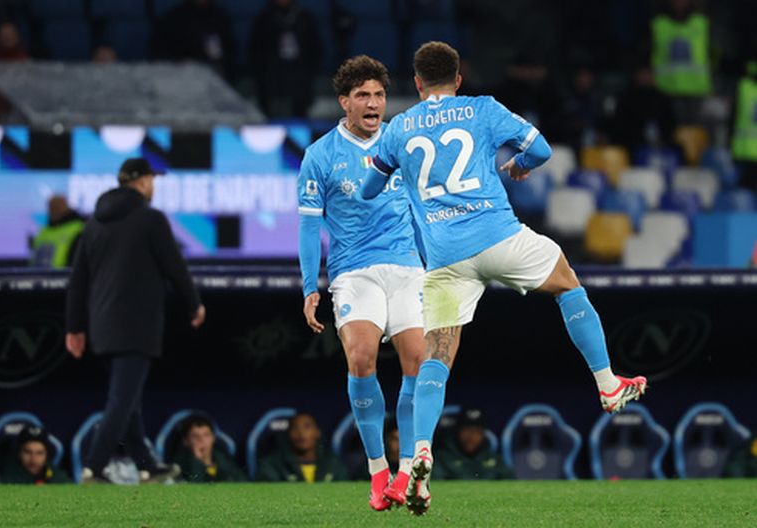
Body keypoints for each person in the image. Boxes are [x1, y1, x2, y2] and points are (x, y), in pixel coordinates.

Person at [362, 41, 647, 515]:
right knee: (567, 282)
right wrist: (516, 165)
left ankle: (422, 450)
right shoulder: (482, 109)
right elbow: (540, 149)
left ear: (416, 83)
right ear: (458, 79)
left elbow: (372, 187)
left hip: (445, 257)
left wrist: (397, 174)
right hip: (497, 236)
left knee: (437, 353)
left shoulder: (398, 129)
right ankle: (606, 382)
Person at [297, 55, 425, 510]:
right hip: (354, 270)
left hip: (408, 266)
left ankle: (408, 470)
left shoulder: (402, 142)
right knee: (361, 359)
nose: (373, 104)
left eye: (379, 95)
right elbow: (310, 228)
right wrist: (310, 286)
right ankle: (378, 471)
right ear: (344, 103)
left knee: (417, 363)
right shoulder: (320, 156)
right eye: (363, 96)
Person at [65, 157, 206, 484]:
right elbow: (175, 267)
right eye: (151, 180)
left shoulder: (94, 223)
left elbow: (77, 281)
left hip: (101, 325)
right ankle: (95, 466)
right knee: (121, 400)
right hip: (136, 323)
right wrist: (194, 304)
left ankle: (146, 466)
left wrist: (74, 327)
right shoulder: (150, 219)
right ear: (142, 181)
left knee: (127, 398)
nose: (153, 186)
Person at [249, 0, 322, 117]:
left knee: (300, 99)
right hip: (272, 74)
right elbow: (256, 50)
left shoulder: (303, 17)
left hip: (299, 70)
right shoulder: (264, 18)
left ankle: (299, 129)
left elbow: (315, 48)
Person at [150, 0, 236, 84]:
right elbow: (159, 53)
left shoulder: (220, 17)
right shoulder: (173, 18)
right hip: (181, 79)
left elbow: (230, 55)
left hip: (213, 79)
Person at [256, 413, 348, 483]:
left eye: (307, 427)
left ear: (317, 432)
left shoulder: (333, 463)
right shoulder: (272, 465)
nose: (301, 433)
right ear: (288, 434)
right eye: (295, 428)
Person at [432, 408, 512, 481]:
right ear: (457, 431)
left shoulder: (495, 460)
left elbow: (511, 484)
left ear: (483, 434)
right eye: (467, 430)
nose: (471, 436)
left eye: (476, 431)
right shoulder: (442, 458)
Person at [172, 415, 246, 483]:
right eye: (195, 436)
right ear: (186, 441)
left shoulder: (223, 458)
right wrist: (197, 461)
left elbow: (242, 483)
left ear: (213, 438)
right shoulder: (178, 466)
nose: (201, 440)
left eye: (206, 435)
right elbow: (193, 487)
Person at [30, 195, 85, 268]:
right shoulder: (43, 231)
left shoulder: (78, 229)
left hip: (64, 276)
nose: (54, 210)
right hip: (37, 276)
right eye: (52, 207)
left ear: (66, 207)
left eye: (57, 207)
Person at [1, 426, 69, 484]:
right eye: (28, 452)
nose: (33, 459)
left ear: (47, 455)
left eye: (39, 453)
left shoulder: (56, 476)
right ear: (19, 453)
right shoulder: (8, 477)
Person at [731, 61, 757, 192]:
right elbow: (733, 117)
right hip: (744, 152)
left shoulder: (744, 87)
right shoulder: (743, 87)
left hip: (744, 149)